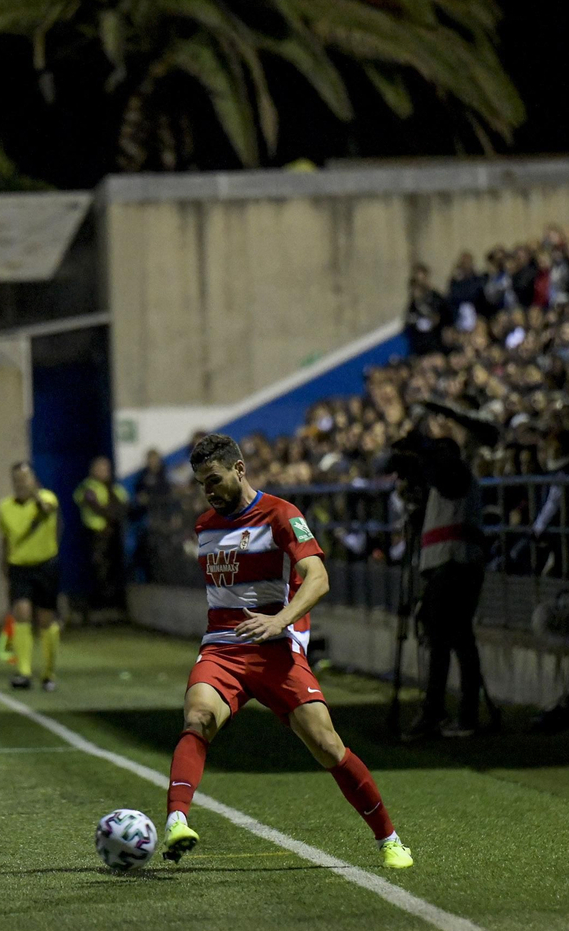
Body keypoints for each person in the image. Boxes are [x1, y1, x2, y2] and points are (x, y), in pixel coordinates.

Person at [161, 434, 413, 870]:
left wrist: (280, 620)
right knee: (198, 718)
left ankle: (389, 839)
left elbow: (317, 577)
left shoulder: (281, 514)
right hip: (222, 650)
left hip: (277, 650)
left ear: (239, 470)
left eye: (215, 479)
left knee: (327, 746)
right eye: (202, 483)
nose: (209, 490)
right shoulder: (205, 526)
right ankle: (176, 821)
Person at [392, 419, 487, 740]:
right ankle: (455, 714)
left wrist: (422, 448)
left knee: (449, 639)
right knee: (454, 639)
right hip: (448, 564)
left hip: (454, 565)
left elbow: (442, 478)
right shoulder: (448, 479)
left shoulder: (455, 475)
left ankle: (438, 714)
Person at [0, 461, 61, 691]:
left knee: (46, 619)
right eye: (17, 479)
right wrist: (2, 562)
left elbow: (47, 510)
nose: (21, 483)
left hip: (46, 565)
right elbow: (5, 538)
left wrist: (35, 493)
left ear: (33, 479)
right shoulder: (4, 507)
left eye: (25, 478)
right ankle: (23, 672)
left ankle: (48, 673)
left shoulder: (47, 498)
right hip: (19, 566)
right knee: (22, 612)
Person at [73, 455, 129, 619]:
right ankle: (96, 607)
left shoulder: (116, 488)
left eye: (105, 468)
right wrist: (111, 517)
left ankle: (115, 606)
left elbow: (124, 506)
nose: (103, 472)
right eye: (100, 468)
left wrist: (113, 518)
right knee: (97, 570)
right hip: (95, 536)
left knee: (115, 570)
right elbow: (95, 506)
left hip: (114, 536)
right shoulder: (87, 487)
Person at [129, 448, 172, 584]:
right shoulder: (142, 477)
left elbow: (168, 496)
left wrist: (151, 499)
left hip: (163, 518)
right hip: (147, 518)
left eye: (155, 459)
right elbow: (139, 497)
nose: (152, 462)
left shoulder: (165, 475)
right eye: (150, 460)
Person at [403, 263, 445, 357]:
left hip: (434, 343)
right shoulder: (413, 304)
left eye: (421, 280)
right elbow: (408, 320)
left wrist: (422, 306)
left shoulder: (435, 298)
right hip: (418, 345)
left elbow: (437, 319)